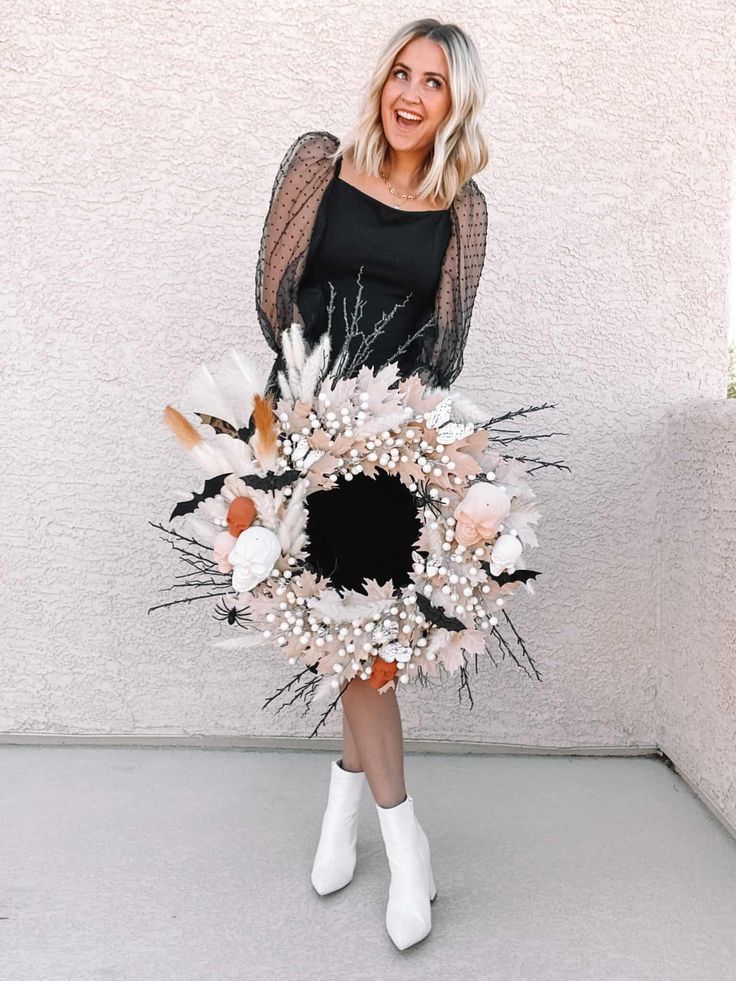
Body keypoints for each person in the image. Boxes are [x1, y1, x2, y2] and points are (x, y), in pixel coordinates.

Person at [255, 18, 488, 950]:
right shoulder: (318, 162)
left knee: (365, 646)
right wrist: (312, 411)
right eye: (401, 73)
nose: (410, 94)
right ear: (382, 82)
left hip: (395, 450)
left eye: (433, 82)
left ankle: (362, 826)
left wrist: (395, 435)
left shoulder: (463, 208)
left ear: (452, 104)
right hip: (310, 430)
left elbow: (447, 345)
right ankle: (398, 838)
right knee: (353, 642)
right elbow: (274, 294)